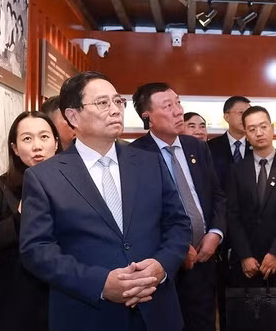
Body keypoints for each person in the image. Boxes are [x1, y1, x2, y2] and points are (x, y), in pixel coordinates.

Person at [19, 71, 191, 331]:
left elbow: (178, 223)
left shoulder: (149, 162)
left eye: (117, 101)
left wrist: (161, 266)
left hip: (156, 312)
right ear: (72, 116)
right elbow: (37, 250)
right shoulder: (44, 177)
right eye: (102, 103)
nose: (115, 110)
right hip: (86, 315)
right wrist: (100, 283)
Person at [130, 83, 225, 331]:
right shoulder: (133, 155)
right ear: (147, 116)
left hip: (204, 259)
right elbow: (139, 215)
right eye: (168, 106)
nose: (178, 111)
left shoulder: (198, 147)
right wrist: (178, 246)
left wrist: (215, 234)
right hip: (162, 264)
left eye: (178, 103)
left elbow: (216, 195)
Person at [0, 111, 60, 330]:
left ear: (56, 143)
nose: (37, 146)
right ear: (15, 148)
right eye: (27, 138)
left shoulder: (75, 185)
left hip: (66, 296)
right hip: (15, 303)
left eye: (44, 137)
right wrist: (19, 216)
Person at [227, 106, 276, 329]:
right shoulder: (236, 170)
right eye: (252, 129)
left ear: (271, 128)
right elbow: (232, 215)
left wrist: (275, 253)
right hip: (247, 262)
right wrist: (244, 255)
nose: (259, 133)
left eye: (263, 127)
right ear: (246, 134)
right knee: (248, 320)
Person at [206, 95, 251, 331]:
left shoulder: (259, 148)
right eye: (241, 112)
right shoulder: (209, 148)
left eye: (249, 112)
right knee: (224, 295)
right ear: (227, 116)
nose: (246, 117)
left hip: (253, 232)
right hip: (221, 232)